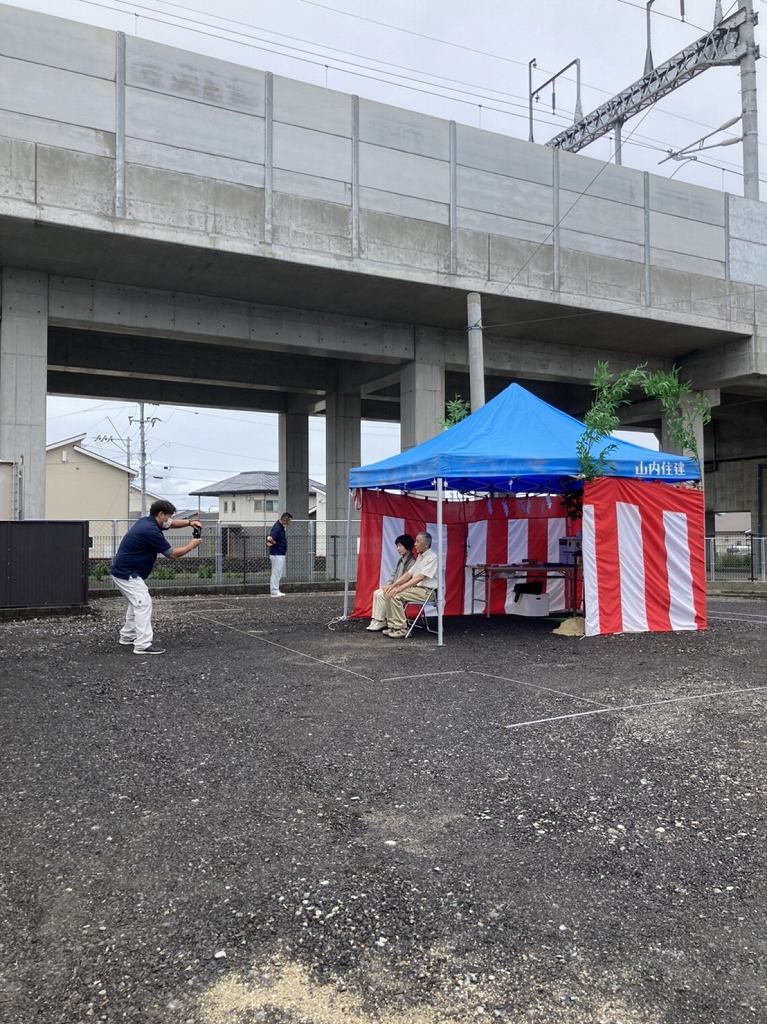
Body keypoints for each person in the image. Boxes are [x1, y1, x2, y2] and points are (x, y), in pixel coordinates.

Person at [110, 500, 202, 655]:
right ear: (160, 514)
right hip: (128, 573)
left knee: (136, 604)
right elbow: (172, 554)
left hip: (122, 570)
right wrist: (192, 545)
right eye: (168, 516)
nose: (170, 520)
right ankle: (142, 644)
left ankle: (127, 636)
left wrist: (189, 522)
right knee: (143, 603)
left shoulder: (146, 521)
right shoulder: (150, 530)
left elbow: (171, 524)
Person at [381, 531, 439, 639]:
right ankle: (393, 626)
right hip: (418, 590)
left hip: (427, 592)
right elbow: (408, 574)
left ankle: (401, 629)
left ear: (426, 544)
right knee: (390, 593)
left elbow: (420, 577)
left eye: (417, 541)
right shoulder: (420, 557)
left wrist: (400, 588)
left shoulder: (433, 557)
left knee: (395, 595)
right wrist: (393, 586)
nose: (415, 544)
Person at [366, 534, 415, 631]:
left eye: (400, 546)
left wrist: (393, 587)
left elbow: (408, 579)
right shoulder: (401, 560)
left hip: (404, 588)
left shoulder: (412, 561)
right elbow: (393, 574)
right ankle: (376, 619)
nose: (398, 549)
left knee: (381, 595)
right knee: (377, 592)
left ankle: (381, 621)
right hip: (395, 586)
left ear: (408, 546)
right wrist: (388, 584)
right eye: (397, 546)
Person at [266, 512, 293, 597]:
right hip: (277, 553)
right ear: (285, 520)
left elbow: (269, 539)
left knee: (277, 572)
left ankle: (275, 590)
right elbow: (269, 538)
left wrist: (271, 542)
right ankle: (274, 591)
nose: (289, 522)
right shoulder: (278, 527)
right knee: (276, 572)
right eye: (289, 521)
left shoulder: (279, 527)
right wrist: (274, 542)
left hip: (278, 553)